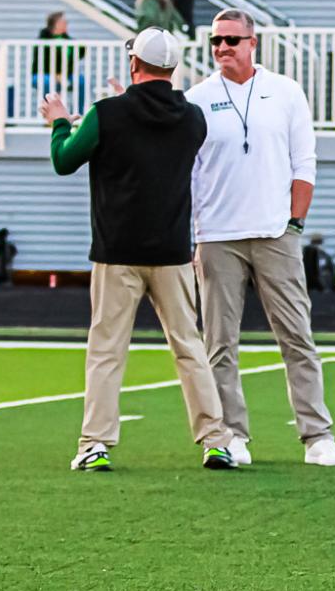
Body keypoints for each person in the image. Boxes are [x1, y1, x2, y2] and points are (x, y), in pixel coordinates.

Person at [44, 27, 235, 473]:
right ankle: (215, 440)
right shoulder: (193, 118)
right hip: (171, 250)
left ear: (133, 63)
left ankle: (95, 443)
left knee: (107, 350)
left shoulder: (107, 113)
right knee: (190, 347)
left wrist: (59, 120)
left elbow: (64, 160)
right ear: (173, 68)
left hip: (117, 251)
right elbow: (153, 129)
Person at [183, 11, 335, 468]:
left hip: (276, 233)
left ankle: (318, 435)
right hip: (217, 236)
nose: (222, 48)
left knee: (297, 336)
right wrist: (197, 229)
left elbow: (304, 162)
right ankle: (231, 435)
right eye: (216, 40)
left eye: (232, 40)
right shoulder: (197, 99)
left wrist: (295, 221)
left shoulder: (286, 91)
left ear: (253, 43)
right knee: (219, 343)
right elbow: (189, 170)